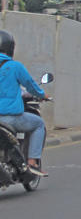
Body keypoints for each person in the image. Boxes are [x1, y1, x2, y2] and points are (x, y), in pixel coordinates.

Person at [0, 30, 49, 176]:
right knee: (39, 124)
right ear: (10, 48)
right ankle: (32, 162)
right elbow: (30, 85)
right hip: (9, 118)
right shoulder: (15, 67)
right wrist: (42, 95)